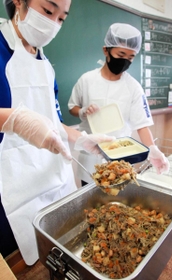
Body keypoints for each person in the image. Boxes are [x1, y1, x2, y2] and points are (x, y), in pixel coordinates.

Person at [0, 0, 115, 265]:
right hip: (12, 191)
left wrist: (79, 138)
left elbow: (54, 120)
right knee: (20, 262)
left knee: (59, 253)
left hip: (53, 183)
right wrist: (15, 120)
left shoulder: (44, 63)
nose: (53, 24)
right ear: (19, 2)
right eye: (48, 11)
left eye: (62, 18)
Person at [68, 23, 170, 185]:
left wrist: (153, 149)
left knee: (118, 203)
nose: (125, 61)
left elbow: (142, 125)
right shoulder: (86, 80)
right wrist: (82, 112)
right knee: (90, 205)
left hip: (121, 159)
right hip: (90, 156)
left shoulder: (134, 87)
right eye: (121, 54)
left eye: (130, 57)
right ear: (106, 50)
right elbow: (72, 108)